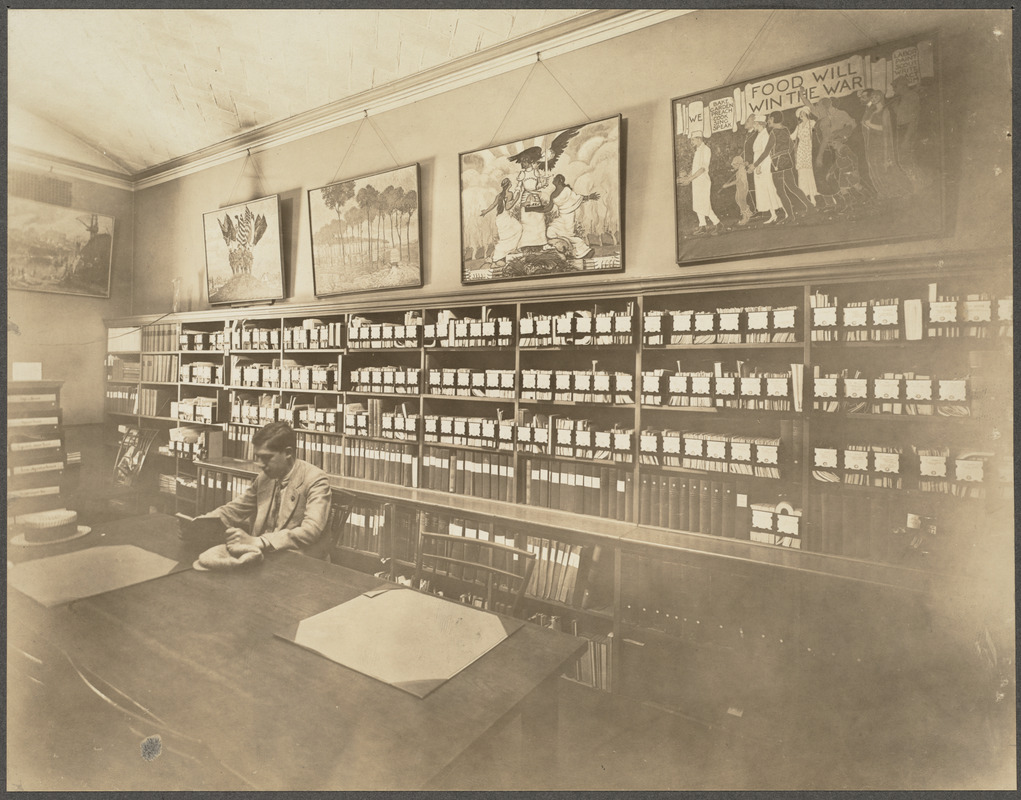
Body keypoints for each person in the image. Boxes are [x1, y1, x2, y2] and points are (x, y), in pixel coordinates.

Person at [186, 421, 332, 557]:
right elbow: (234, 509)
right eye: (257, 458)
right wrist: (199, 523)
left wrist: (261, 541)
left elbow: (310, 530)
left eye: (266, 458)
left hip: (297, 561)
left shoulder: (316, 479)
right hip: (264, 556)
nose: (260, 465)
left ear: (288, 453)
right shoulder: (265, 478)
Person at [753, 111, 812, 222]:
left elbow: (766, 152)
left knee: (780, 191)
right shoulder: (785, 129)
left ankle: (790, 216)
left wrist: (754, 165)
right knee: (793, 187)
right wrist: (784, 154)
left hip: (777, 165)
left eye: (770, 119)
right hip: (786, 162)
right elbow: (791, 145)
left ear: (774, 119)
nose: (768, 121)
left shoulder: (774, 133)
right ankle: (810, 207)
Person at [542, 174, 599, 258]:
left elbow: (577, 198)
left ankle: (584, 250)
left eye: (555, 179)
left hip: (569, 216)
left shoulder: (566, 190)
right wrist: (536, 209)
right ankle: (559, 248)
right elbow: (548, 208)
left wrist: (589, 197)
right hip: (561, 216)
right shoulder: (553, 194)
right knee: (551, 230)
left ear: (559, 181)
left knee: (568, 235)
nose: (553, 180)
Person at [677, 131, 722, 234]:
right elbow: (695, 168)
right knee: (698, 203)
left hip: (703, 181)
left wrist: (689, 179)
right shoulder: (697, 150)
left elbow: (702, 169)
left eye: (693, 139)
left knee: (704, 203)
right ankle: (702, 226)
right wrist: (687, 176)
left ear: (699, 139)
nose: (691, 141)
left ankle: (718, 224)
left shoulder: (706, 150)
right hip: (696, 181)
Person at [479, 178, 521, 264]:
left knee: (506, 236)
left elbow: (493, 205)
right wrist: (517, 198)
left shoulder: (499, 195)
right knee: (517, 229)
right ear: (509, 185)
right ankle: (498, 255)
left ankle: (505, 252)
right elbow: (508, 207)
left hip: (499, 218)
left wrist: (485, 211)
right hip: (505, 217)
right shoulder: (510, 194)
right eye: (510, 183)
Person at [748, 115, 781, 224]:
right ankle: (773, 215)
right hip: (758, 164)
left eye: (755, 124)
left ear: (759, 124)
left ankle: (786, 211)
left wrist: (759, 166)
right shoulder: (759, 135)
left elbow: (765, 153)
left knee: (769, 188)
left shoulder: (765, 135)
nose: (754, 126)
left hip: (763, 164)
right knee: (764, 190)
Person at [791, 106, 819, 205]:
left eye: (803, 113)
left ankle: (814, 197)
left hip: (810, 149)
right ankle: (806, 198)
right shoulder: (798, 126)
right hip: (801, 150)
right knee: (802, 173)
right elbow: (792, 137)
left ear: (807, 113)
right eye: (800, 114)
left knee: (810, 172)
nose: (801, 115)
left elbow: (818, 134)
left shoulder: (812, 123)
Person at [721, 155, 753, 225]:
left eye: (734, 165)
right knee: (737, 199)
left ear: (738, 164)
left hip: (742, 187)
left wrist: (727, 185)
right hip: (739, 187)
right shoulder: (739, 169)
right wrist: (734, 169)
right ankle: (747, 212)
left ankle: (745, 217)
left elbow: (737, 181)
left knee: (741, 201)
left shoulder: (741, 170)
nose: (733, 167)